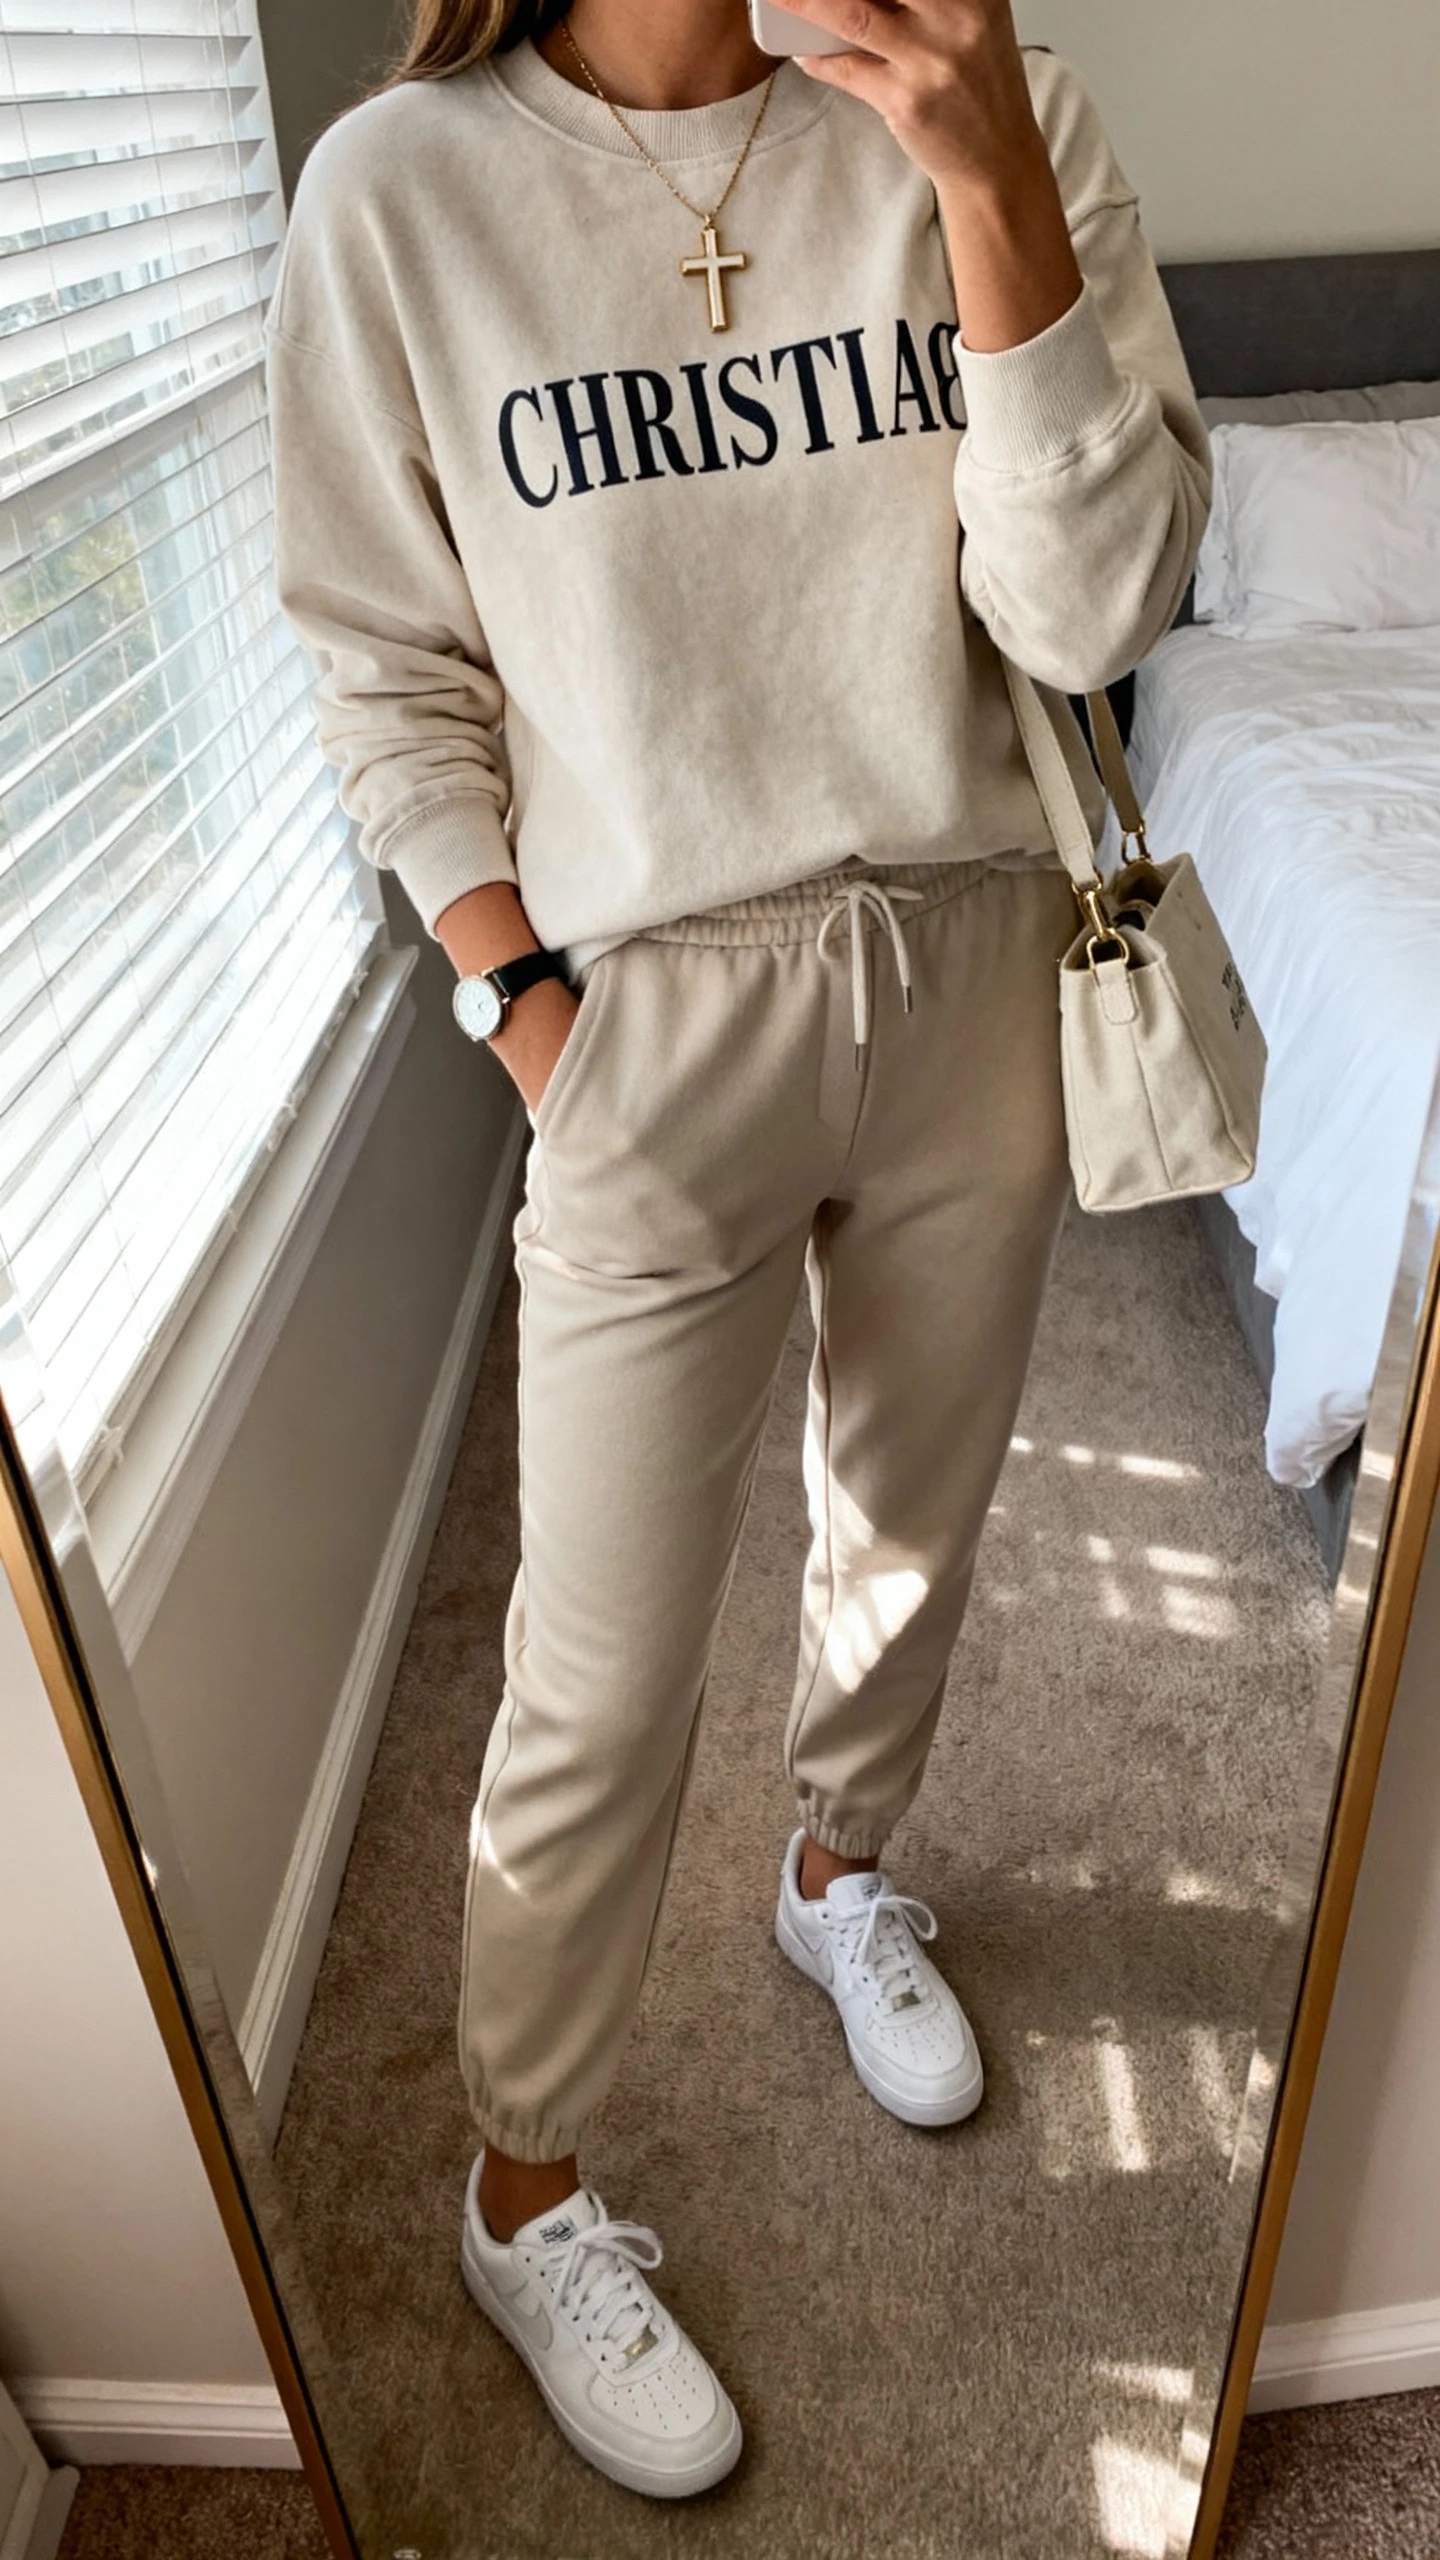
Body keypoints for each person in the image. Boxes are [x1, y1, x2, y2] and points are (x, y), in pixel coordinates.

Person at [267, 0, 1209, 2500]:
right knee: (590, 1671)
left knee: (913, 1515)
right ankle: (524, 2182)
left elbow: (1099, 604)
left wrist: (985, 174)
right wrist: (531, 1014)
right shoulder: (403, 192)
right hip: (644, 1015)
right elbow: (384, 653)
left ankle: (841, 1870)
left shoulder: (1003, 109)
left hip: (977, 948)